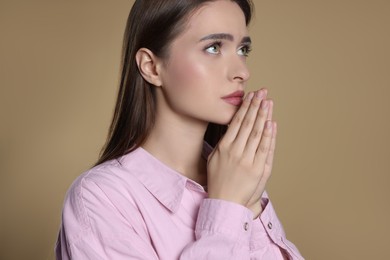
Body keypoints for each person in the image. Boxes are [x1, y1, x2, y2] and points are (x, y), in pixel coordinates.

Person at [55, 0, 304, 259]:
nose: (242, 71)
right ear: (151, 67)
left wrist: (249, 203)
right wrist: (227, 206)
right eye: (214, 47)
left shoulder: (237, 177)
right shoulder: (102, 198)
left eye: (243, 50)